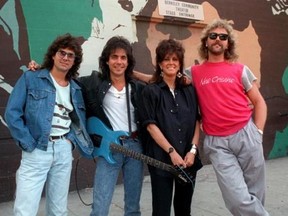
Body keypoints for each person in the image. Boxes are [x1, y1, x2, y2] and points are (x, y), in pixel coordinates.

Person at [185, 19, 269, 216]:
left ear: (228, 43)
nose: (218, 40)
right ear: (206, 41)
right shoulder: (194, 72)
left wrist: (258, 131)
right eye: (213, 36)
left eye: (223, 37)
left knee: (256, 193)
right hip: (218, 143)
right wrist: (132, 74)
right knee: (237, 199)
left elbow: (259, 101)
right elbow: (165, 77)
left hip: (247, 134)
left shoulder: (240, 69)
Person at [5, 33, 94, 216]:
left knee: (58, 210)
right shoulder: (31, 78)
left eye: (71, 55)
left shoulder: (76, 88)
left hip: (63, 150)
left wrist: (70, 141)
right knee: (25, 210)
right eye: (62, 53)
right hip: (37, 149)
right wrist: (28, 143)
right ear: (53, 54)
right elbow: (12, 113)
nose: (66, 58)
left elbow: (78, 119)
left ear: (74, 61)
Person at [78, 36, 145, 216]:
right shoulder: (94, 82)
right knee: (100, 206)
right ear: (106, 60)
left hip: (135, 146)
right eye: (114, 57)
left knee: (133, 205)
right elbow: (65, 76)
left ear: (128, 61)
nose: (119, 61)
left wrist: (137, 75)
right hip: (110, 148)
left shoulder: (137, 87)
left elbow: (160, 81)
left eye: (123, 58)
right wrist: (40, 69)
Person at [140, 39, 201, 216]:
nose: (171, 63)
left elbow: (197, 121)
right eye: (166, 59)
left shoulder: (188, 89)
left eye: (175, 59)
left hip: (188, 160)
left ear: (180, 63)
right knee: (161, 210)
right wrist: (171, 152)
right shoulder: (150, 91)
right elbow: (150, 126)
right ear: (159, 63)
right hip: (162, 161)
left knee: (184, 209)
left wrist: (193, 151)